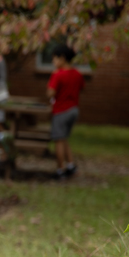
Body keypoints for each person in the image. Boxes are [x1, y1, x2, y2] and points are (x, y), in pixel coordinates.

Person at [47, 44, 84, 179]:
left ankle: (60, 169)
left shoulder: (58, 75)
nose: (53, 63)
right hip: (74, 110)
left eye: (55, 59)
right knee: (64, 138)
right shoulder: (78, 74)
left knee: (58, 140)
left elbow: (50, 93)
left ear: (62, 58)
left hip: (61, 110)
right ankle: (71, 165)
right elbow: (81, 88)